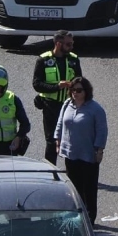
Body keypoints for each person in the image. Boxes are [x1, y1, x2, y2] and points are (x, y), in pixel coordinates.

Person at [55, 76, 107, 224]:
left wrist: (99, 150)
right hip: (71, 154)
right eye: (72, 90)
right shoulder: (67, 105)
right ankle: (76, 217)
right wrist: (58, 141)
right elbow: (60, 124)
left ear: (86, 91)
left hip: (88, 155)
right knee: (73, 188)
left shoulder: (95, 109)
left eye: (78, 90)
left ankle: (90, 219)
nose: (75, 93)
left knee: (88, 189)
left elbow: (102, 131)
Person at [32, 29, 82, 164]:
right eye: (68, 44)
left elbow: (80, 81)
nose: (71, 47)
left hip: (69, 106)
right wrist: (57, 87)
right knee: (51, 141)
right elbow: (37, 84)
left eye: (72, 44)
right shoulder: (43, 60)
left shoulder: (74, 59)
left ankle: (71, 171)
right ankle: (50, 170)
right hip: (50, 105)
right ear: (58, 44)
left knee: (70, 139)